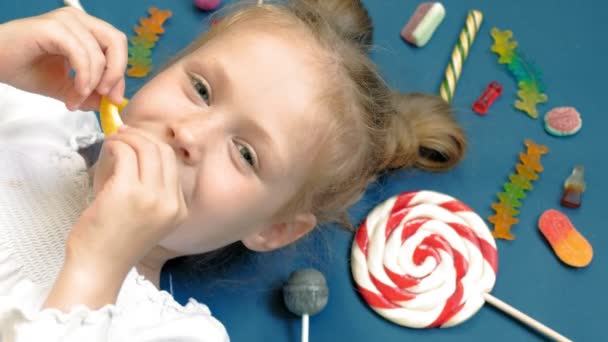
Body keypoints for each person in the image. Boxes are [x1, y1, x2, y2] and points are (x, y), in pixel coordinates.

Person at [0, 0, 466, 340]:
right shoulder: (28, 116)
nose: (190, 134)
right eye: (201, 89)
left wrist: (97, 264)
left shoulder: (171, 334)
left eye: (246, 154)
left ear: (275, 228)